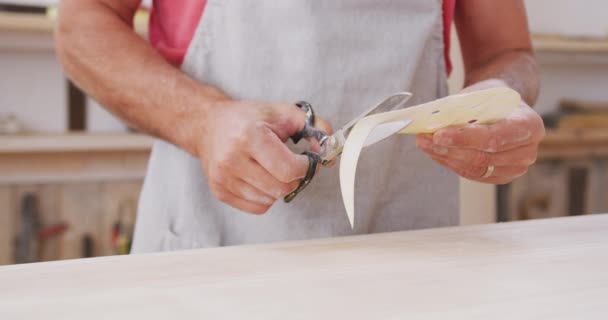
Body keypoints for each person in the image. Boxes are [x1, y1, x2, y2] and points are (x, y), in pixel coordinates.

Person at [56, 0, 545, 251]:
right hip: (213, 251)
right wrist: (204, 122)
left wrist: (504, 98)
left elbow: (508, 53)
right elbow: (81, 24)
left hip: (408, 257)